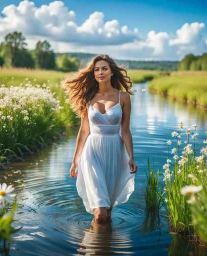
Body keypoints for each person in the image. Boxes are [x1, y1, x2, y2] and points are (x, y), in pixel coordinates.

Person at [62, 54, 138, 224]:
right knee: (100, 214)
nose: (100, 72)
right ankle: (93, 247)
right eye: (96, 69)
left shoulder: (123, 97)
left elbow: (125, 131)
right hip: (92, 151)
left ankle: (104, 244)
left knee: (108, 211)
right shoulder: (88, 97)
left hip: (114, 151)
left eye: (104, 68)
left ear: (112, 72)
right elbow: (83, 131)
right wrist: (75, 161)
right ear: (93, 74)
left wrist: (131, 156)